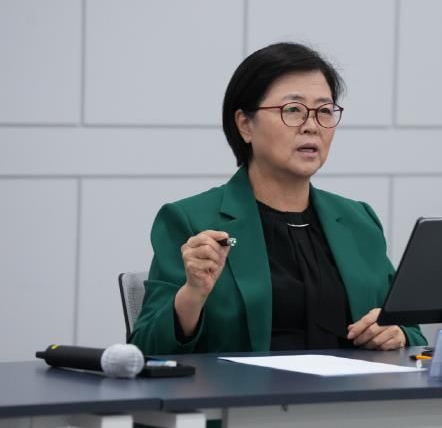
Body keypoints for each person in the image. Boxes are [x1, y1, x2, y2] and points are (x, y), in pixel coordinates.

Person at [130, 42, 426, 355]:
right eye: (293, 110)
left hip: (351, 387)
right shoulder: (191, 220)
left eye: (324, 111)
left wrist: (396, 333)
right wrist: (193, 294)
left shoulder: (358, 220)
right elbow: (145, 348)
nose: (312, 126)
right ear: (245, 125)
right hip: (245, 388)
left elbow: (412, 333)